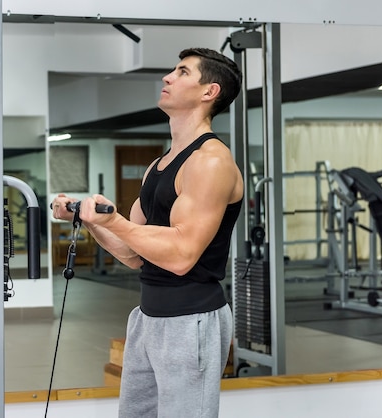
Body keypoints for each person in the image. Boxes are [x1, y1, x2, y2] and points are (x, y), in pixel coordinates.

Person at [51, 48, 243, 418]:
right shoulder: (159, 165)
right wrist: (88, 218)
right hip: (147, 317)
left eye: (182, 72)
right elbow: (133, 252)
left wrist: (114, 221)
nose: (167, 78)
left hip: (191, 321)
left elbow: (182, 255)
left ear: (209, 92)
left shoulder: (211, 161)